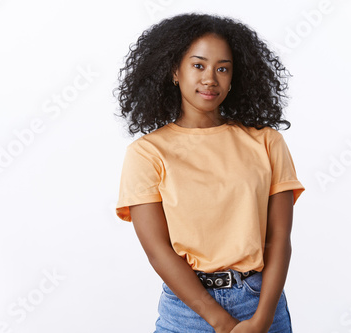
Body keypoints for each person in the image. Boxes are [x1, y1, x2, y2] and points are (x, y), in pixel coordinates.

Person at [114, 13, 305, 333]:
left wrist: (262, 319)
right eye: (198, 65)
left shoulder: (267, 142)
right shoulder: (147, 153)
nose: (210, 79)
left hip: (260, 302)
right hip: (186, 310)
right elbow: (158, 251)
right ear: (175, 71)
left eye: (223, 68)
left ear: (234, 77)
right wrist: (221, 321)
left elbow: (279, 239)